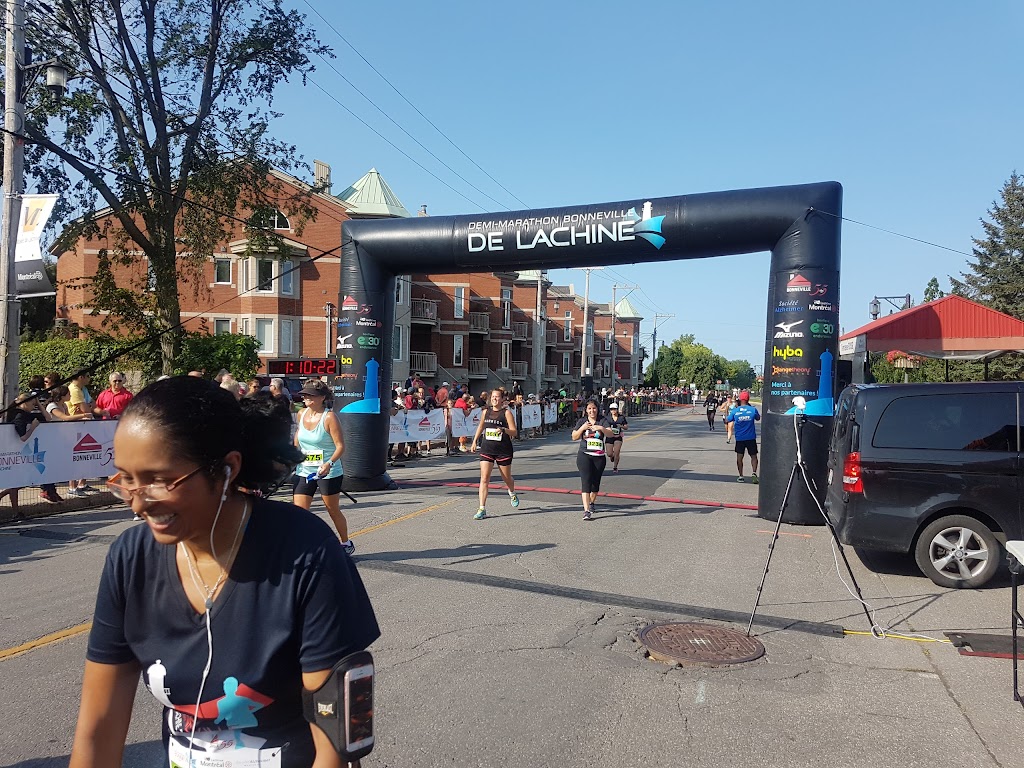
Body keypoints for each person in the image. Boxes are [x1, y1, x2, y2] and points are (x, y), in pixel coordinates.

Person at [68, 376, 378, 767]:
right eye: (125, 480)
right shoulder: (130, 560)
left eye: (159, 480)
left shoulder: (306, 551)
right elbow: (97, 731)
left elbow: (334, 744)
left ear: (228, 469)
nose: (137, 505)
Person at [291, 380, 353, 553]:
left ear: (322, 398)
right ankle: (303, 548)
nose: (306, 398)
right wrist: (292, 453)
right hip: (304, 469)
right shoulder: (301, 414)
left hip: (328, 471)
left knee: (332, 509)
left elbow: (340, 446)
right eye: (304, 394)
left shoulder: (329, 417)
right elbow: (298, 437)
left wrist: (329, 463)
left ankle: (345, 543)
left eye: (311, 395)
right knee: (299, 512)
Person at [469, 388, 519, 520]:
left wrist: (504, 429)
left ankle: (512, 492)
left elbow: (514, 432)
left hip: (503, 449)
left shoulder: (506, 413)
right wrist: (474, 441)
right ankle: (482, 508)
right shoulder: (486, 412)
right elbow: (481, 426)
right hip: (487, 448)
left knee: (506, 478)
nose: (494, 399)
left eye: (497, 397)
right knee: (484, 478)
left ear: (502, 399)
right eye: (493, 397)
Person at [0, 392, 48, 515]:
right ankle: (15, 512)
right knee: (17, 481)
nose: (34, 407)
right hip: (14, 452)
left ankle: (5, 497)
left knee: (23, 481)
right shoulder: (19, 416)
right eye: (32, 404)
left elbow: (48, 418)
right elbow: (22, 438)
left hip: (19, 453)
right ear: (25, 403)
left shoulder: (25, 414)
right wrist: (33, 427)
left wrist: (38, 403)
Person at [46, 385, 95, 498]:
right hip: (52, 439)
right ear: (62, 396)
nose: (70, 395)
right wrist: (83, 415)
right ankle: (50, 489)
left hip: (62, 437)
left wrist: (81, 418)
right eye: (68, 394)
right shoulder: (52, 406)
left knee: (71, 461)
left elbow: (69, 417)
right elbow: (65, 417)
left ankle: (72, 487)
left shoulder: (63, 405)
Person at [572, 399, 614, 520]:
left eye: (594, 408)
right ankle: (586, 511)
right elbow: (574, 437)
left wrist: (601, 428)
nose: (592, 411)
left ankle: (591, 502)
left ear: (597, 409)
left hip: (599, 457)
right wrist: (582, 428)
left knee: (595, 485)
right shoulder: (582, 421)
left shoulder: (603, 420)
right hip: (584, 455)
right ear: (586, 410)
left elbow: (610, 434)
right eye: (589, 408)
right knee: (586, 482)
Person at [726, 390, 761, 483]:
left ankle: (741, 476)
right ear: (748, 399)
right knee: (753, 456)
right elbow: (758, 418)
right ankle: (754, 472)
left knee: (739, 457)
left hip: (740, 438)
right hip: (751, 437)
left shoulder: (735, 411)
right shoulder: (753, 410)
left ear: (740, 399)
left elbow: (727, 420)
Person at [604, 401, 628, 472]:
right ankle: (612, 456)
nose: (613, 411)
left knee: (617, 452)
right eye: (611, 409)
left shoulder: (621, 418)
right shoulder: (607, 418)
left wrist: (621, 426)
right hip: (609, 437)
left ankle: (615, 467)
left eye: (614, 409)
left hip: (618, 437)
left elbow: (626, 427)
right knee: (609, 453)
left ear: (617, 409)